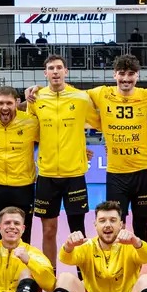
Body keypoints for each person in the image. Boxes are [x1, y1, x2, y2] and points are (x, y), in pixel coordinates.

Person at [28, 55, 100, 270]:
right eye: (51, 68)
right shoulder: (36, 98)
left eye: (59, 67)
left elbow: (100, 122)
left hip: (74, 175)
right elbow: (33, 131)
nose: (55, 71)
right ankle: (49, 277)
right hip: (47, 174)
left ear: (66, 71)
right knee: (48, 230)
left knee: (78, 231)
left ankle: (83, 278)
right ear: (45, 73)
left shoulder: (81, 98)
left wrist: (80, 146)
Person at [87, 54, 147, 241]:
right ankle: (118, 260)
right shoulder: (102, 93)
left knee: (141, 225)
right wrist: (38, 90)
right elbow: (72, 97)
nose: (126, 78)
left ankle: (140, 259)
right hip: (116, 173)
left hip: (143, 171)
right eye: (121, 73)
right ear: (114, 75)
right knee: (116, 225)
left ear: (137, 75)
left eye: (131, 74)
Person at [0, 86, 38, 245]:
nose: (5, 107)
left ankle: (20, 261)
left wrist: (80, 148)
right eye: (0, 103)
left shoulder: (30, 122)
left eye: (9, 103)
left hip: (23, 186)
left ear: (17, 103)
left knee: (22, 236)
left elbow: (53, 137)